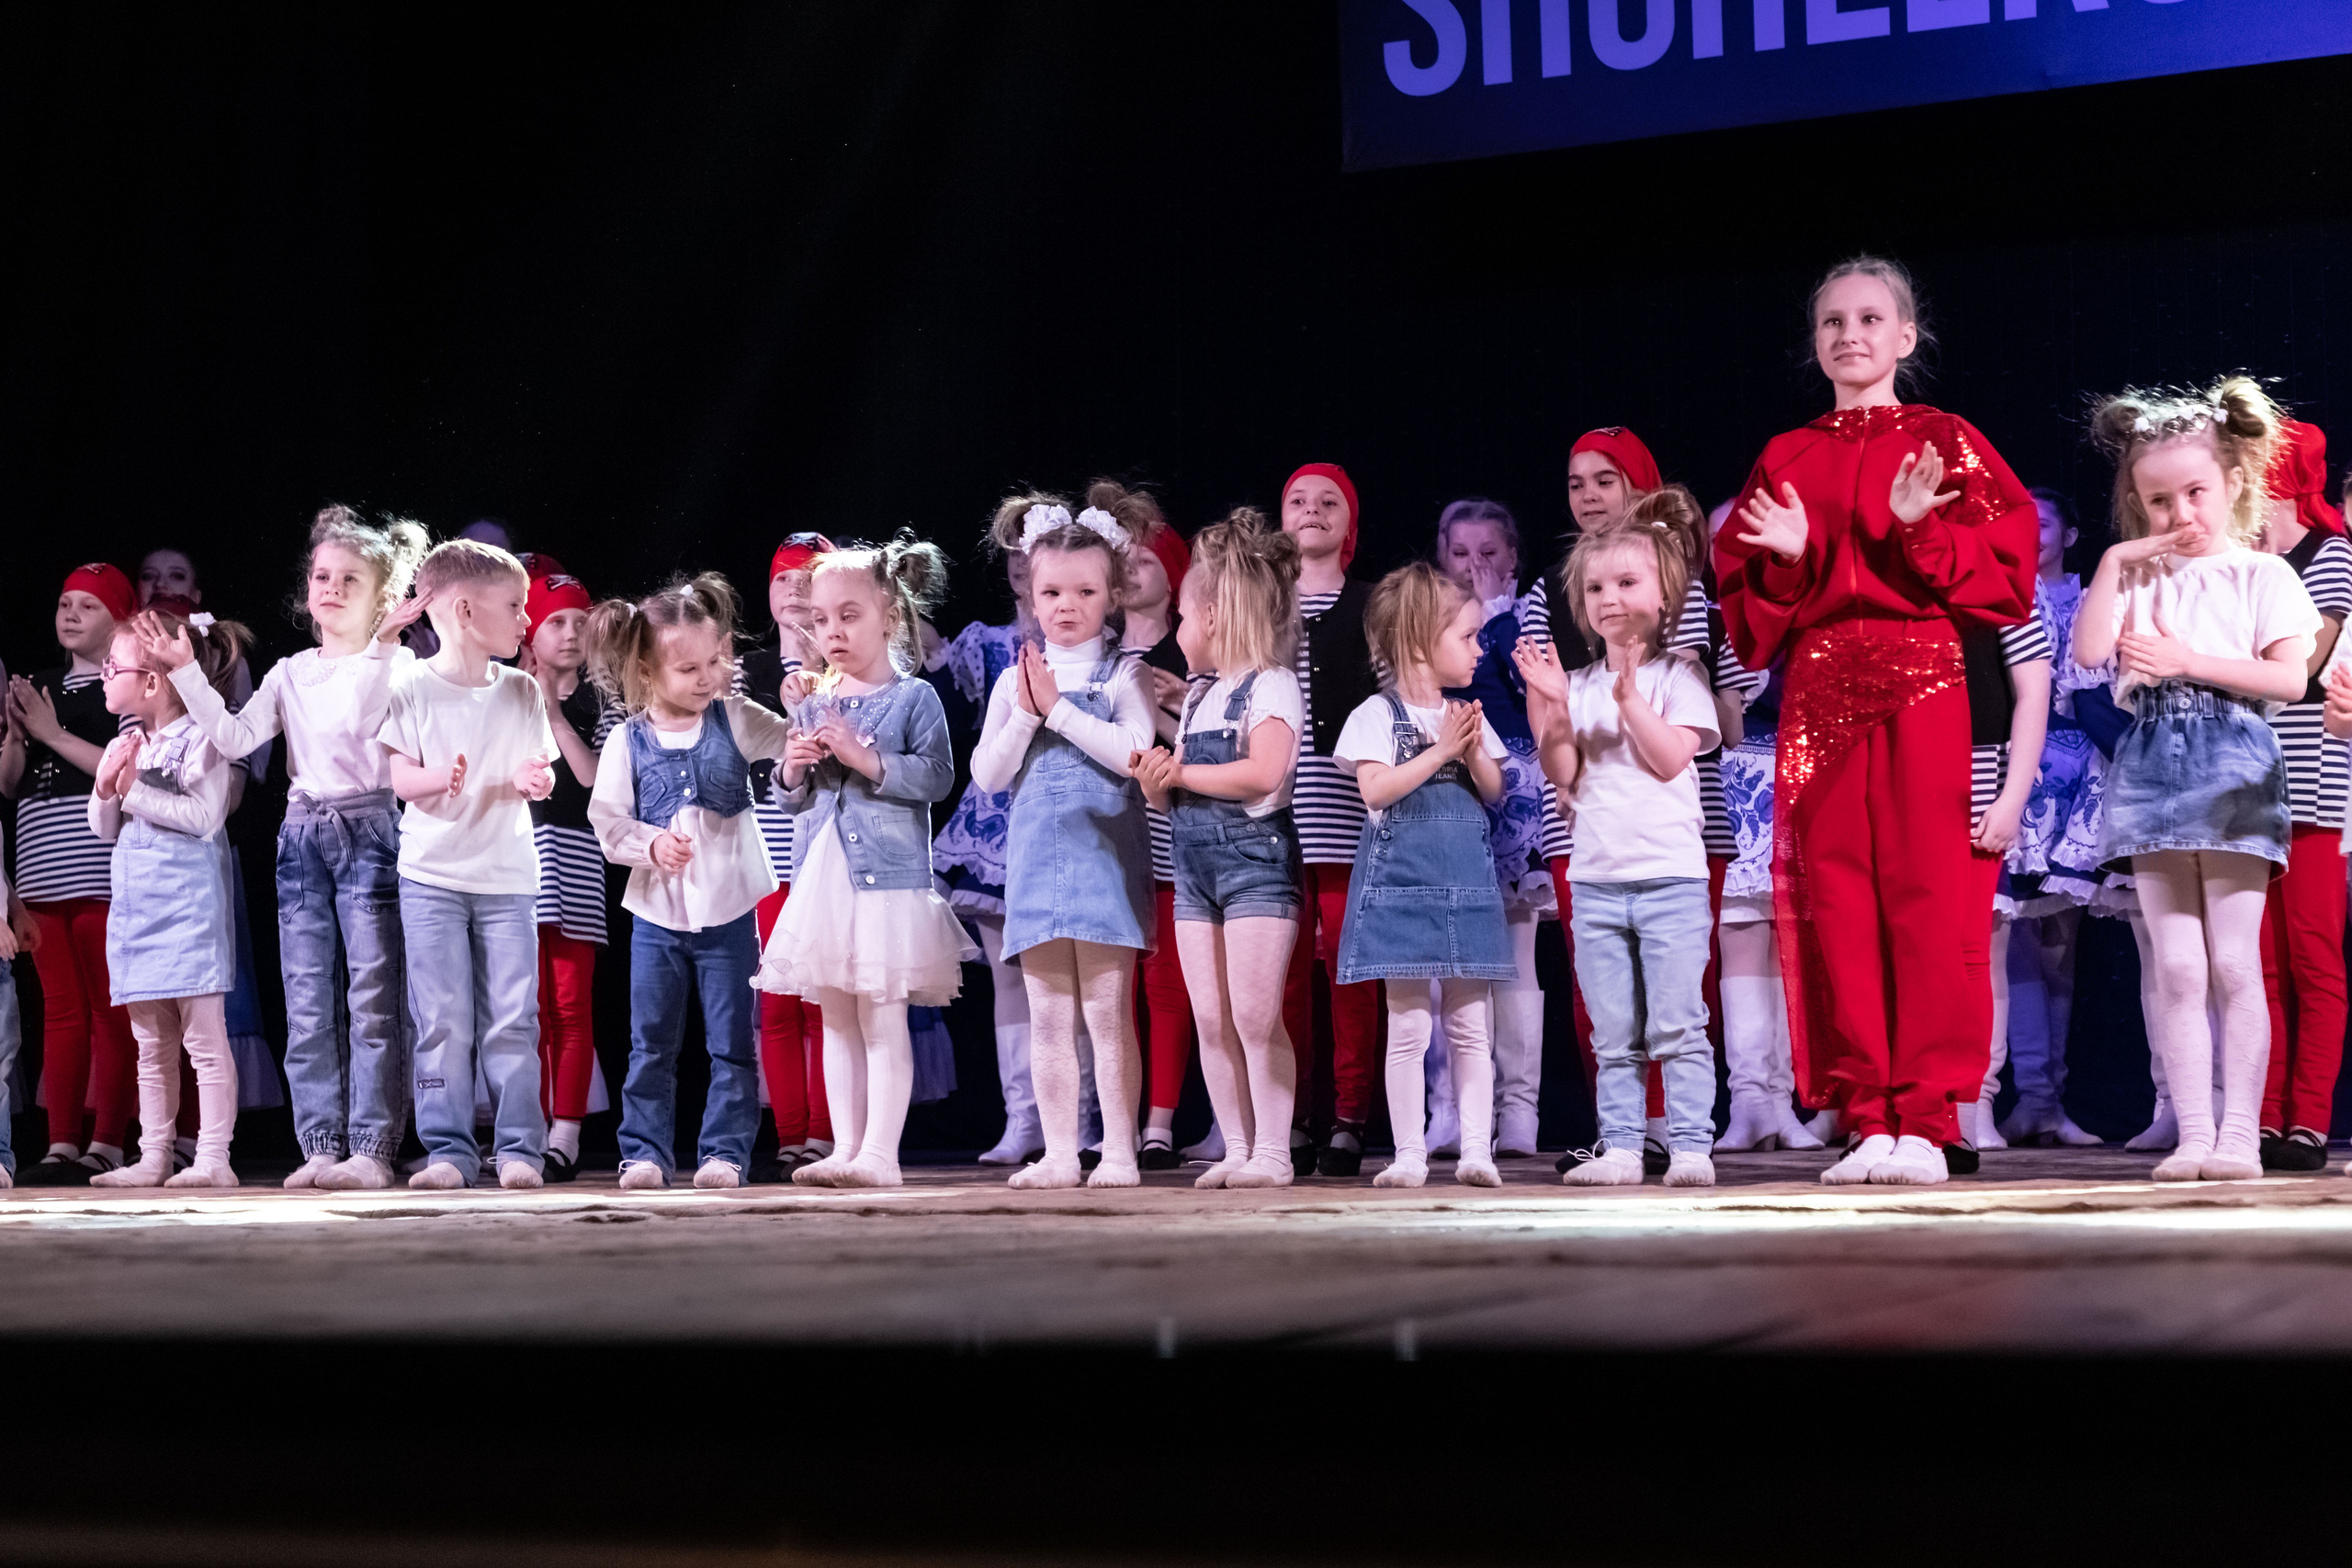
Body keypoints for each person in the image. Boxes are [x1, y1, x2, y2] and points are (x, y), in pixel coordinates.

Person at [1715, 255, 2038, 1187]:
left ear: (1905, 337)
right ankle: (1867, 1115)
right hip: (1821, 683)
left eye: (1868, 319)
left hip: (1920, 675)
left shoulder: (1943, 437)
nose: (1848, 335)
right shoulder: (1787, 454)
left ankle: (1929, 1117)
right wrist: (1783, 560)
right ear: (1815, 342)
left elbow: (2006, 570)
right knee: (1841, 901)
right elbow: (1752, 612)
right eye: (1831, 322)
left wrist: (1916, 530)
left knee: (1927, 894)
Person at [2077, 377, 2318, 1182]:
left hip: (2234, 760)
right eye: (2157, 501)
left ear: (2235, 484)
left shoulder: (2264, 575)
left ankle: (2241, 1135)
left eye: (2194, 493)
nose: (2179, 515)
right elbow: (2085, 654)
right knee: (2175, 966)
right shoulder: (2141, 574)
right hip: (2151, 762)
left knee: (2233, 962)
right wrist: (2116, 558)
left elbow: (2289, 682)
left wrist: (2186, 661)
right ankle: (2192, 1132)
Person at [162, 507, 432, 1188]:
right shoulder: (288, 672)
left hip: (369, 830)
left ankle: (371, 1146)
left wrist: (382, 644)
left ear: (381, 596)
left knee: (373, 998)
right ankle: (319, 1143)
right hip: (302, 838)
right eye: (321, 575)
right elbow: (232, 739)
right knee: (308, 999)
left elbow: (366, 717)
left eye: (350, 579)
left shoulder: (395, 663)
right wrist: (186, 672)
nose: (332, 587)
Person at [756, 536, 973, 1189]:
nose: (833, 631)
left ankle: (882, 1151)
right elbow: (796, 801)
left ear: (888, 614)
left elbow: (936, 778)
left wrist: (868, 758)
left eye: (848, 616)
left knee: (881, 1011)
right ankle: (845, 1147)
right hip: (824, 877)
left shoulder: (914, 699)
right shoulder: (814, 700)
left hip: (885, 878)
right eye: (821, 620)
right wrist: (790, 772)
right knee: (837, 1016)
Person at [1522, 496, 1723, 1187]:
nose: (1610, 597)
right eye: (1597, 587)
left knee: (1678, 1022)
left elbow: (1671, 759)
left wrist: (1629, 696)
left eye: (1627, 583)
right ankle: (1622, 1148)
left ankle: (1692, 1145)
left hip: (1670, 878)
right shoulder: (1575, 685)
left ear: (1664, 593)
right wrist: (1551, 703)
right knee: (1613, 1032)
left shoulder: (1678, 677)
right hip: (1598, 880)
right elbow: (1563, 771)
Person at [968, 498, 1158, 1190]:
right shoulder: (1012, 679)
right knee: (1048, 1016)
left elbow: (1137, 749)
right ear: (1030, 591)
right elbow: (987, 774)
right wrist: (1024, 710)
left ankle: (1118, 1150)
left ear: (1111, 594)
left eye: (1084, 591)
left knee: (1107, 1014)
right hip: (1035, 863)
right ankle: (1058, 1151)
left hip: (1103, 856)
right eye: (1051, 591)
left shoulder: (1123, 674)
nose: (1066, 605)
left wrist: (1059, 710)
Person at [585, 573, 796, 1190]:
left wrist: (803, 713)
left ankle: (724, 1152)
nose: (705, 678)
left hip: (731, 910)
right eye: (687, 669)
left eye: (713, 662)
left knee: (731, 1042)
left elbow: (794, 745)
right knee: (651, 1041)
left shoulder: (736, 718)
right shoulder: (628, 739)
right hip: (657, 916)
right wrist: (650, 843)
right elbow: (607, 820)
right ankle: (644, 1152)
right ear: (649, 671)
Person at [1131, 509, 1305, 1189]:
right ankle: (1237, 1146)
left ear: (1216, 616)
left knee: (1257, 1016)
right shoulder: (1200, 696)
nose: (1176, 631)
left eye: (1181, 616)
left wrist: (1179, 772)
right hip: (1194, 868)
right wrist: (1155, 784)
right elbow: (1173, 796)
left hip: (1255, 865)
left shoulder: (1272, 683)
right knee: (1211, 1016)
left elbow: (1263, 772)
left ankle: (1274, 1152)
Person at [379, 540, 558, 1190]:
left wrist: (529, 777)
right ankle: (449, 1150)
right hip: (431, 877)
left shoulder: (520, 690)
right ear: (461, 610)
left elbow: (534, 768)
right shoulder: (412, 685)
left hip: (507, 877)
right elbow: (398, 775)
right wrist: (437, 777)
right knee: (442, 1018)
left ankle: (518, 1149)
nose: (525, 620)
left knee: (514, 1015)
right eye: (514, 606)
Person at [1332, 562, 1512, 1189]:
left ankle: (1475, 1150)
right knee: (1406, 1027)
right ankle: (1409, 1152)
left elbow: (1493, 791)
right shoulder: (1374, 715)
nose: (1477, 648)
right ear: (1417, 643)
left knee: (1471, 1026)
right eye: (1465, 636)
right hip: (1400, 889)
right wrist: (1440, 750)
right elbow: (1377, 790)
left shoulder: (1467, 714)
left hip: (1465, 886)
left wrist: (1471, 751)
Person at [86, 608, 252, 1188]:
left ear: (153, 681)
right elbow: (104, 828)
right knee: (150, 1044)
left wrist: (131, 790)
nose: (105, 674)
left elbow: (205, 817)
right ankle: (153, 1155)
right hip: (139, 913)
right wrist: (107, 789)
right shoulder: (127, 740)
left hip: (189, 911)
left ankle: (213, 1157)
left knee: (204, 1041)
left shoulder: (203, 739)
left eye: (114, 666)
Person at [1, 564, 141, 1183]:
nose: (72, 613)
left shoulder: (127, 688)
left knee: (111, 1007)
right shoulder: (37, 683)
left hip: (100, 865)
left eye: (89, 604)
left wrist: (49, 731)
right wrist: (14, 733)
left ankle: (107, 1142)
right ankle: (61, 1143)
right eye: (65, 602)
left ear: (120, 618)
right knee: (59, 1008)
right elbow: (8, 783)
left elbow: (123, 771)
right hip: (41, 869)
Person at [1432, 497, 1549, 1161]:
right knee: (1451, 959)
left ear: (1511, 560)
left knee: (1514, 957)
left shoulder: (1513, 620)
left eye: (1488, 554)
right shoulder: (1435, 625)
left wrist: (1499, 621)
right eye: (1460, 554)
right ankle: (1452, 1106)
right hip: (1449, 783)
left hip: (1513, 787)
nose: (1473, 567)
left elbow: (1524, 689)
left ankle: (1520, 1109)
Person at [2252, 421, 2351, 1171]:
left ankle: (2308, 1117)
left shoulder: (2332, 554)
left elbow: (2302, 662)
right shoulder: (2251, 560)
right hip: (2248, 778)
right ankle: (2259, 1114)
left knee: (2312, 952)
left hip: (2313, 777)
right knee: (2259, 964)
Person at [1998, 490, 2109, 1149]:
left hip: (2081, 768)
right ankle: (2030, 1093)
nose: (2031, 533)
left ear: (2068, 533)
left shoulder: (2090, 592)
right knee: (2013, 933)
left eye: (2042, 522)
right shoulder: (2006, 594)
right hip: (2024, 767)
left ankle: (2052, 1097)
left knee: (2061, 941)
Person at [1279, 463, 1381, 1178]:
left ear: (1350, 522)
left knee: (1351, 972)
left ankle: (1349, 1116)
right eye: (1298, 500)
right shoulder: (1260, 606)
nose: (1312, 510)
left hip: (1347, 816)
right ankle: (1289, 1114)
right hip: (1271, 821)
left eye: (1329, 501)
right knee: (1281, 979)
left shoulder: (1370, 605)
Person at [932, 530, 1044, 1165]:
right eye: (1018, 562)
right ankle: (1022, 1118)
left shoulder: (1088, 650)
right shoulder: (988, 642)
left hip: (1061, 816)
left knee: (1073, 977)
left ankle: (1079, 1122)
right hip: (996, 821)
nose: (1027, 571)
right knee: (1008, 976)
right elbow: (944, 704)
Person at [1100, 480, 1199, 1170]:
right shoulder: (1097, 654)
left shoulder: (1188, 655)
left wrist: (1175, 705)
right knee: (1112, 983)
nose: (1131, 569)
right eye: (1122, 559)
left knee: (1165, 981)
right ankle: (1111, 1121)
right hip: (1107, 827)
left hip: (1167, 829)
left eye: (1145, 559)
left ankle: (1159, 1122)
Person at [523, 562, 620, 1182]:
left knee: (570, 1002)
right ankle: (525, 1132)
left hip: (578, 854)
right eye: (554, 621)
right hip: (518, 854)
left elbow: (590, 779)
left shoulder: (598, 700)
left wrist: (552, 714)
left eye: (578, 622)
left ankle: (566, 1133)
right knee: (524, 1005)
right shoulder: (502, 692)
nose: (567, 633)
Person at [742, 535, 835, 1179]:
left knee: (822, 996)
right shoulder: (744, 668)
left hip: (829, 849)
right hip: (769, 850)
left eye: (809, 579)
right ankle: (790, 1132)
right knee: (777, 999)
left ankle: (829, 1133)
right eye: (784, 581)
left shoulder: (846, 660)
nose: (795, 592)